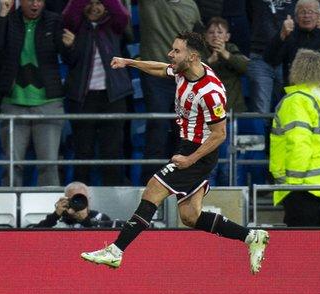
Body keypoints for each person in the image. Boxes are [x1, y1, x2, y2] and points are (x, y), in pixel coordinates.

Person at [81, 32, 270, 274]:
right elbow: (161, 70)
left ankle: (116, 251)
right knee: (190, 216)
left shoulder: (210, 92)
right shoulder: (183, 70)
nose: (171, 54)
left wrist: (190, 159)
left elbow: (220, 135)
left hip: (198, 153)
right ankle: (251, 236)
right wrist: (130, 62)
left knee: (153, 188)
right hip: (186, 147)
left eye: (176, 51)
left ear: (192, 56)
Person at [0, 0, 78, 187]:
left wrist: (70, 46)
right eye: (30, 0)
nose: (35, 4)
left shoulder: (54, 21)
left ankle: (50, 212)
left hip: (48, 103)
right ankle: (11, 212)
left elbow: (70, 60)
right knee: (12, 166)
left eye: (40, 0)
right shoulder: (8, 20)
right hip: (13, 102)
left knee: (49, 165)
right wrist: (2, 14)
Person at [269, 49, 320, 227]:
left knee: (300, 243)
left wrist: (292, 185)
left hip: (300, 186)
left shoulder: (295, 101)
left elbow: (299, 143)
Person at [62, 0, 133, 186]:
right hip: (82, 98)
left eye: (99, 3)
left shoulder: (114, 25)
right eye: (90, 3)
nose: (94, 7)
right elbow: (70, 13)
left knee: (112, 152)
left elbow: (123, 14)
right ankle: (79, 202)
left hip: (113, 96)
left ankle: (114, 199)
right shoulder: (75, 26)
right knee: (83, 152)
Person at [137, 0, 201, 183]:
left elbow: (198, 39)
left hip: (183, 76)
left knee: (182, 131)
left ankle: (177, 180)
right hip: (155, 75)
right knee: (157, 128)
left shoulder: (191, 6)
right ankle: (149, 182)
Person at [264, 0, 320, 103]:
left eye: (311, 12)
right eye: (302, 12)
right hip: (295, 96)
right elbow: (270, 59)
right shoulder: (288, 33)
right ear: (295, 16)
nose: (306, 16)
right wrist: (281, 36)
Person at [203, 16, 249, 185]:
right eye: (211, 32)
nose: (215, 36)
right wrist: (209, 62)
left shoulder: (232, 49)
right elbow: (189, 74)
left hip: (230, 116)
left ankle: (233, 201)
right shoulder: (199, 53)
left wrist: (225, 54)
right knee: (210, 164)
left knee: (229, 163)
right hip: (206, 119)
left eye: (220, 32)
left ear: (227, 36)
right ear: (205, 36)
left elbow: (244, 67)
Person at [34, 181, 114, 228]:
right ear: (66, 201)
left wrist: (85, 220)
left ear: (89, 200)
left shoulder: (100, 217)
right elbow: (32, 236)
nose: (79, 203)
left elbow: (106, 240)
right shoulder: (58, 220)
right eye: (75, 200)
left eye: (82, 198)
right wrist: (55, 215)